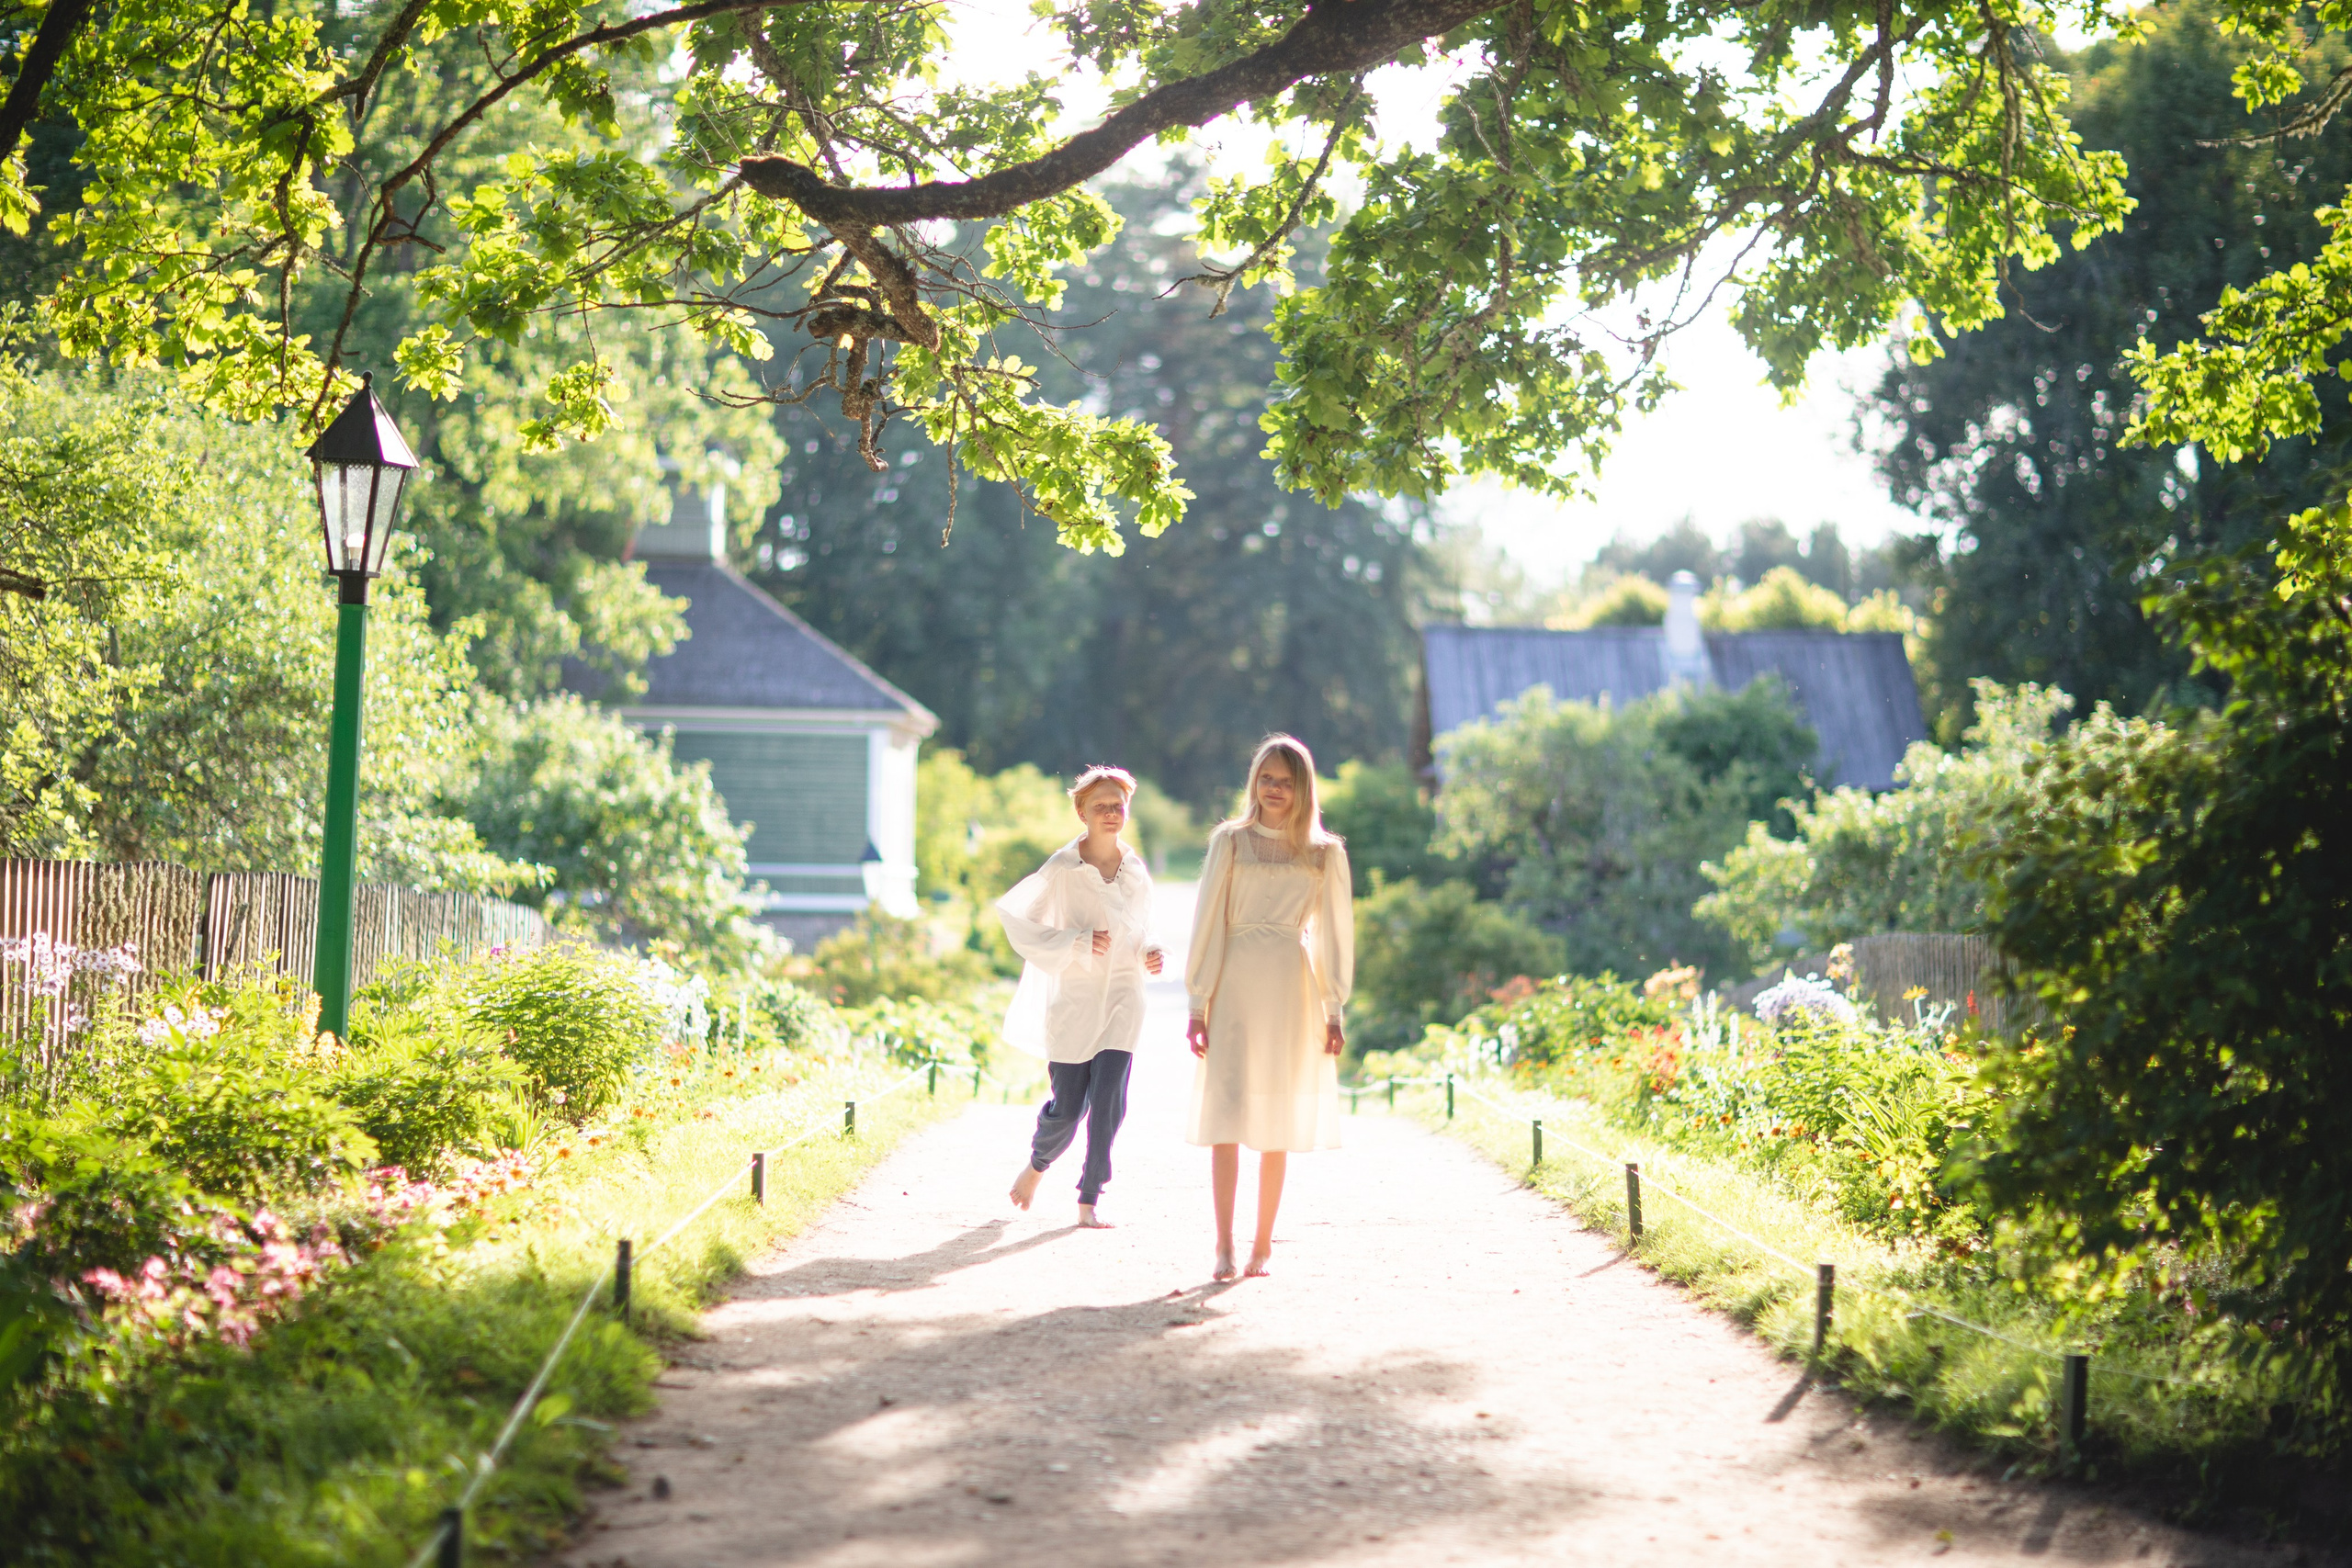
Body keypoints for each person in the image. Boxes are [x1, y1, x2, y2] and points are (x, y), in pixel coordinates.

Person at [1184, 734, 1353, 1280]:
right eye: (1266, 778)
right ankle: (1223, 1246)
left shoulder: (1325, 852)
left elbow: (1333, 937)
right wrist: (1197, 1001)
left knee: (1275, 1117)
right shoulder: (1229, 842)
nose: (1275, 789)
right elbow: (1207, 922)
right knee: (1227, 1114)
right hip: (1232, 983)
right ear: (1254, 782)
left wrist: (1333, 1009)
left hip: (1290, 987)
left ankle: (1262, 1246)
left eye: (1285, 780)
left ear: (1303, 787)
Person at [997, 765, 1165, 1228]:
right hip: (1074, 1001)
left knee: (1109, 1101)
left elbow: (1144, 929)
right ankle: (1037, 1166)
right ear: (1081, 812)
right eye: (1100, 807)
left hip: (1125, 997)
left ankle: (1090, 1199)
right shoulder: (1061, 869)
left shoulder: (1135, 869)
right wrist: (1072, 941)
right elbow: (1016, 920)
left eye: (1118, 805)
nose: (1111, 814)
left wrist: (1152, 953)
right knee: (1069, 1109)